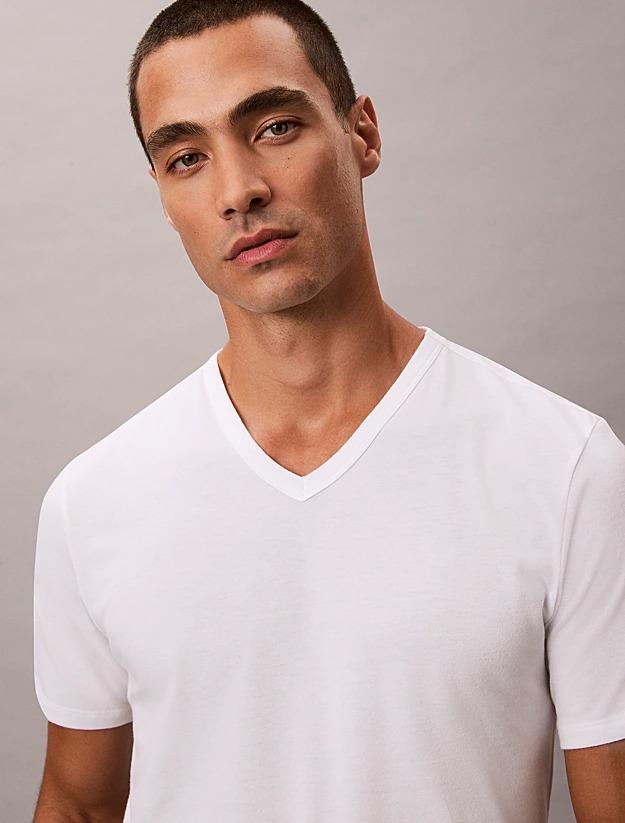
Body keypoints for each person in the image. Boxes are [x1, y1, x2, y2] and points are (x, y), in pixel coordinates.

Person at [32, 1, 625, 821]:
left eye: (274, 127)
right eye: (187, 157)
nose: (238, 190)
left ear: (361, 134)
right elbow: (77, 804)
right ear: (164, 197)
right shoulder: (92, 502)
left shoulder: (564, 467)